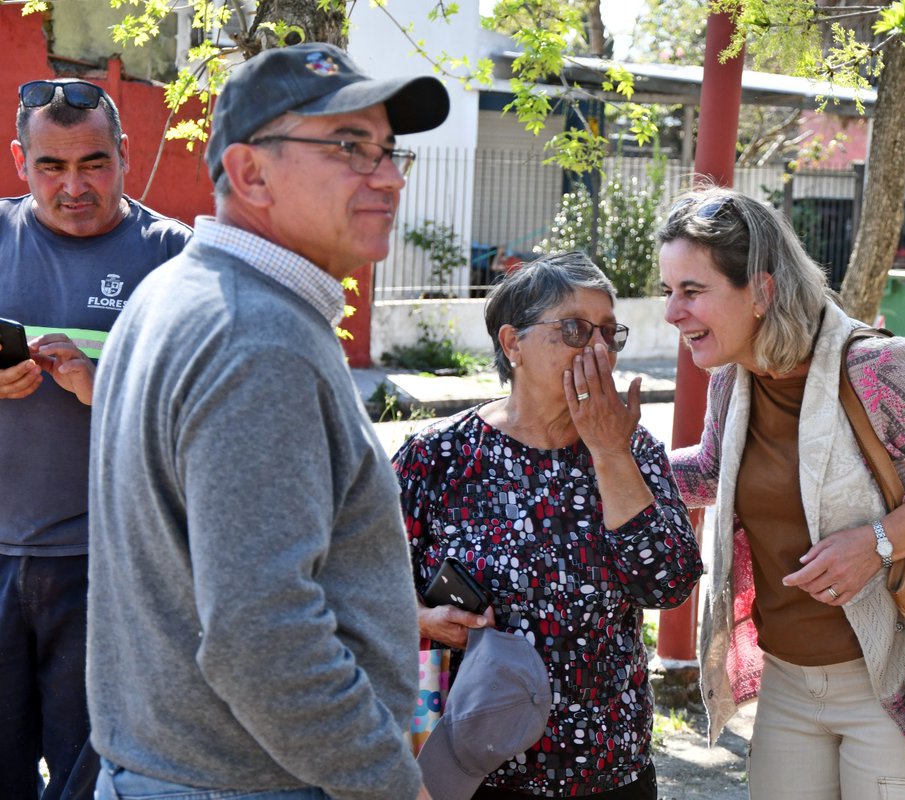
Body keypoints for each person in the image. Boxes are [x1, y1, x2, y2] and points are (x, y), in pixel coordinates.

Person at [86, 43, 450, 799]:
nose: (387, 176)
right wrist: (391, 783)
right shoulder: (257, 336)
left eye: (388, 150)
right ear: (251, 172)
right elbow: (263, 636)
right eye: (351, 147)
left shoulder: (175, 293)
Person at [657, 187, 905, 799]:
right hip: (788, 685)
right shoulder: (736, 378)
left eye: (692, 291)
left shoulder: (881, 369)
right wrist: (614, 456)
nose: (673, 311)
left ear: (762, 291)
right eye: (670, 290)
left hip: (896, 687)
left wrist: (881, 541)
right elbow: (713, 472)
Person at [393, 252, 703, 799]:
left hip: (608, 768)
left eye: (610, 332)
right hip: (475, 766)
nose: (599, 349)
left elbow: (670, 583)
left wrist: (609, 451)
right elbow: (362, 586)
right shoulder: (436, 456)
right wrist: (421, 616)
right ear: (513, 344)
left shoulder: (631, 447)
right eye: (576, 330)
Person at [0, 77, 191, 800]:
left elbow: (212, 414)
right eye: (52, 166)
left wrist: (103, 390)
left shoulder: (177, 257)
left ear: (125, 154)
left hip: (110, 569)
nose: (73, 186)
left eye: (94, 164)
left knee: (92, 776)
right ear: (22, 161)